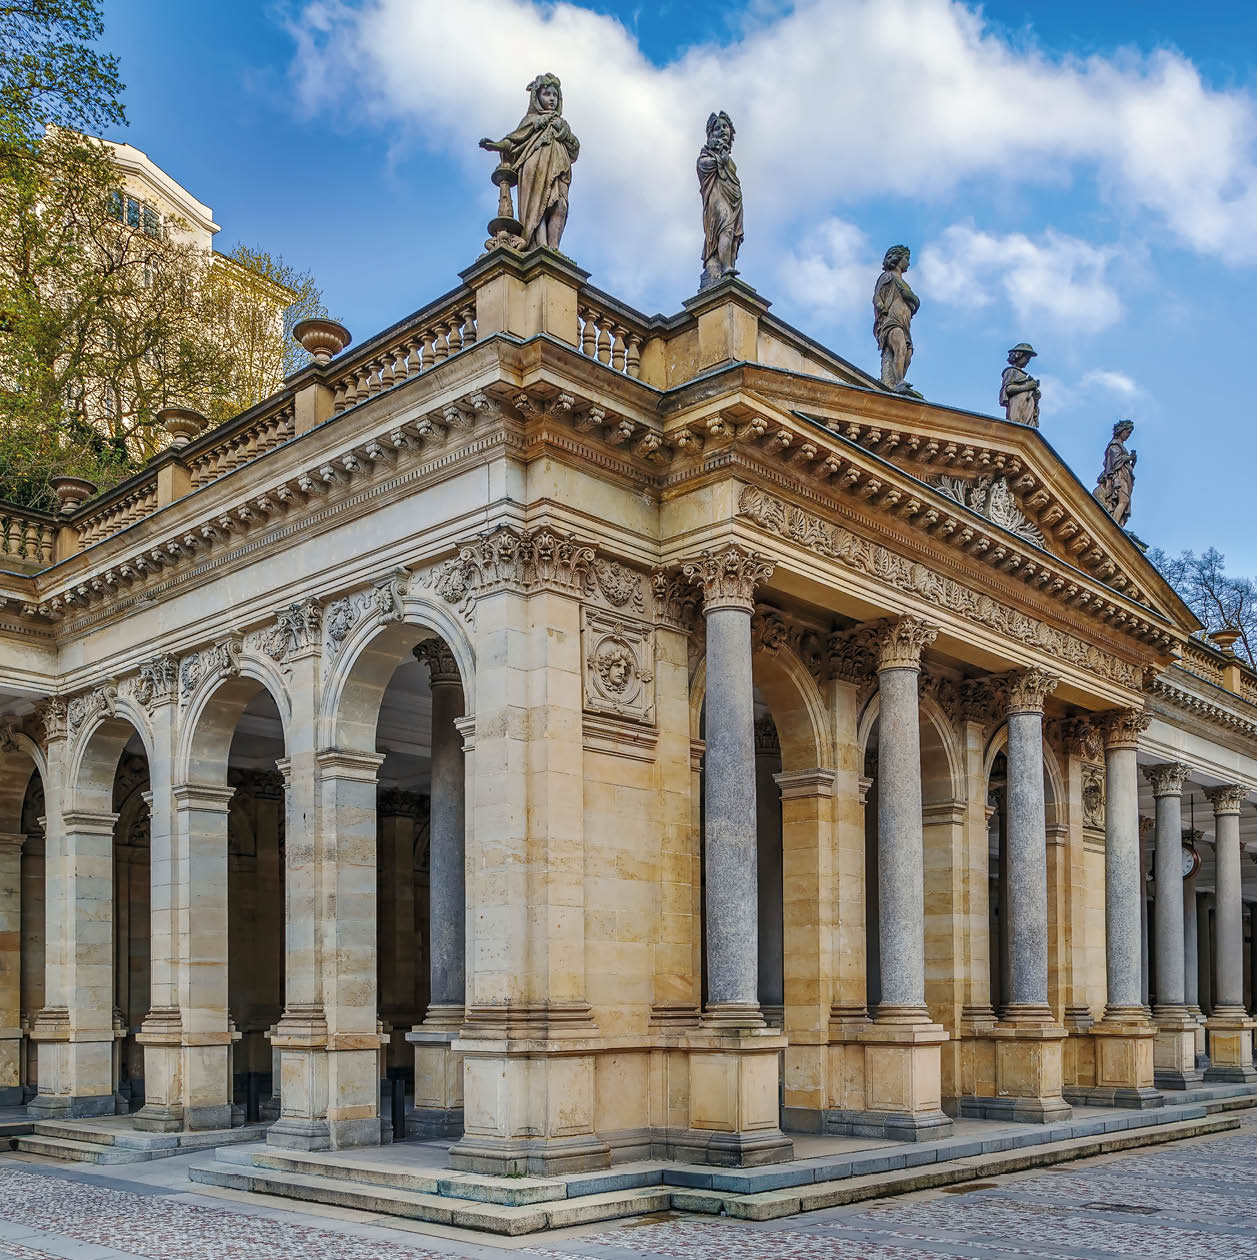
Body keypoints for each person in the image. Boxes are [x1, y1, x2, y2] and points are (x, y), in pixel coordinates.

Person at [479, 74, 580, 251]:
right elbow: (513, 142)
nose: (551, 99)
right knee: (538, 208)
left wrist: (565, 134)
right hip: (534, 169)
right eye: (547, 94)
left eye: (555, 95)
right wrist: (495, 145)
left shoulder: (561, 124)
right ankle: (541, 247)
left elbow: (574, 149)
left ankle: (554, 248)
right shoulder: (530, 122)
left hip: (559, 168)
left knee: (560, 205)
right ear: (536, 97)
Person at [697, 111, 743, 290]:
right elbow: (703, 167)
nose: (723, 131)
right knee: (725, 228)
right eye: (717, 128)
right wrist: (719, 160)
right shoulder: (705, 154)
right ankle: (725, 268)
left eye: (726, 127)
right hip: (717, 198)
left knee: (733, 237)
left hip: (734, 199)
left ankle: (727, 265)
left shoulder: (729, 159)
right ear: (710, 133)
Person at [873, 245, 919, 392]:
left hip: (904, 322)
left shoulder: (904, 283)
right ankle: (898, 381)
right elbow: (877, 296)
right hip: (892, 320)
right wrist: (880, 305)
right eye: (907, 259)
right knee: (899, 346)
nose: (909, 263)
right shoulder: (888, 276)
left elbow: (914, 303)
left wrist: (912, 298)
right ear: (898, 258)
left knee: (908, 354)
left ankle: (899, 380)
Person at [1095, 420, 1137, 526]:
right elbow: (1115, 461)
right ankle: (1114, 525)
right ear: (1121, 431)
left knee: (1124, 501)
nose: (1128, 435)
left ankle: (1116, 524)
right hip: (1118, 477)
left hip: (1124, 477)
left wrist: (1132, 462)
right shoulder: (1114, 445)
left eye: (1130, 433)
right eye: (1127, 432)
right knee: (1124, 500)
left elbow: (1124, 465)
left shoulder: (1121, 446)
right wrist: (1129, 458)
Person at [1000, 343, 1041, 427]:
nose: (1028, 361)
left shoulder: (1025, 376)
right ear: (1019, 355)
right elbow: (1008, 389)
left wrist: (1035, 391)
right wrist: (1027, 386)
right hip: (1017, 404)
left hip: (1028, 407)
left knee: (1027, 428)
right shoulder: (1011, 371)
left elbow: (1033, 396)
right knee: (1016, 426)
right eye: (1027, 358)